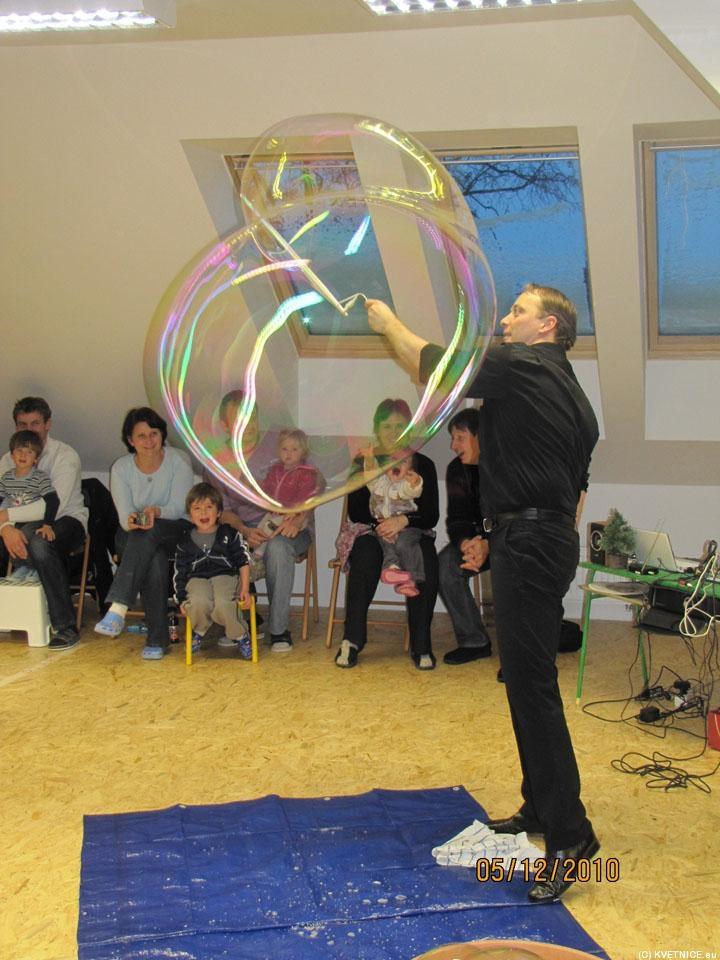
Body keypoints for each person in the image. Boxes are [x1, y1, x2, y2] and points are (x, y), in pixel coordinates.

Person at [365, 285, 600, 902]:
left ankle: (572, 836)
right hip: (540, 538)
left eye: (519, 311)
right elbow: (569, 489)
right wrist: (507, 537)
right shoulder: (575, 398)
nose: (508, 319)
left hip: (531, 542)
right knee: (522, 679)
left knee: (532, 685)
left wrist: (388, 322)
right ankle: (540, 808)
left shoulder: (526, 365)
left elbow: (437, 365)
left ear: (547, 327)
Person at [204, 390, 320, 653]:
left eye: (252, 417)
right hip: (245, 531)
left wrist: (298, 519)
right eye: (239, 420)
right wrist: (245, 531)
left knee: (278, 547)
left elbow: (314, 485)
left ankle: (278, 630)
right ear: (225, 425)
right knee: (224, 544)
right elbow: (222, 512)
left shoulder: (282, 443)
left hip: (290, 526)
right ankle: (240, 623)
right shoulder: (217, 462)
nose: (248, 425)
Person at [334, 398, 439, 670]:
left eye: (400, 426)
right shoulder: (364, 462)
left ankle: (421, 644)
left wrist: (402, 521)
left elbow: (431, 514)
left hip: (411, 531)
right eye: (387, 426)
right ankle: (352, 641)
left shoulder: (423, 464)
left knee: (425, 557)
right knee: (365, 553)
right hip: (372, 530)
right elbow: (356, 510)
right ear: (377, 429)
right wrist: (384, 525)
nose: (393, 432)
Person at [94, 407, 193, 660]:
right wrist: (134, 520)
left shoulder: (178, 460)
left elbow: (179, 507)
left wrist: (156, 512)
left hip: (175, 529)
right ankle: (157, 641)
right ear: (130, 440)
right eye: (141, 436)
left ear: (162, 434)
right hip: (135, 534)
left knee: (152, 534)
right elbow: (125, 518)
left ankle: (119, 606)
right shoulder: (121, 468)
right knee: (153, 555)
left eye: (154, 433)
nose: (149, 441)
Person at [0, 397, 88, 649]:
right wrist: (5, 529)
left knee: (38, 542)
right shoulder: (8, 459)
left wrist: (6, 519)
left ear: (48, 424)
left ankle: (66, 626)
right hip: (19, 524)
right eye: (22, 424)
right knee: (26, 536)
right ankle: (11, 610)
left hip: (66, 519)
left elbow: (52, 505)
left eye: (35, 423)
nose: (29, 429)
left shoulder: (65, 456)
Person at [438, 408, 492, 665]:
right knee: (445, 565)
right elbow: (457, 518)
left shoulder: (504, 466)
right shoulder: (456, 469)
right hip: (473, 544)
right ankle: (474, 641)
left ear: (480, 436)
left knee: (512, 565)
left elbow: (511, 520)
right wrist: (465, 544)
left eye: (460, 437)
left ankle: (521, 646)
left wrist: (488, 544)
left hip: (506, 541)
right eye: (453, 438)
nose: (453, 446)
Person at [173, 482, 251, 656]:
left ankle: (240, 635)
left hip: (226, 577)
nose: (203, 513)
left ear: (219, 512)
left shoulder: (229, 533)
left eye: (209, 507)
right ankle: (199, 631)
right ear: (190, 515)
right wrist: (181, 600)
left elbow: (243, 561)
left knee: (223, 604)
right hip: (197, 579)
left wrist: (245, 588)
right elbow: (180, 572)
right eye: (197, 508)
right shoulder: (185, 541)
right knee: (198, 602)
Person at [253, 428, 322, 559]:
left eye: (294, 449)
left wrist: (295, 512)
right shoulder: (275, 470)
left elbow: (307, 496)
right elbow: (267, 488)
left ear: (303, 452)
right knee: (260, 527)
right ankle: (254, 552)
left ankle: (258, 556)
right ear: (278, 451)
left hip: (294, 515)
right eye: (284, 449)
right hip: (276, 512)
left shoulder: (306, 473)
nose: (289, 453)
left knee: (269, 527)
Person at [0, 430, 59, 583]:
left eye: (29, 452)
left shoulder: (39, 477)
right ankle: (22, 568)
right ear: (12, 455)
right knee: (10, 535)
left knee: (24, 534)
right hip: (16, 520)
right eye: (19, 450)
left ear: (36, 459)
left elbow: (53, 500)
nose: (23, 455)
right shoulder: (6, 478)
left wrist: (48, 525)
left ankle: (34, 569)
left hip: (36, 520)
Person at [365, 448, 425, 597]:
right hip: (385, 526)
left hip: (407, 527)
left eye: (403, 461)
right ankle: (392, 570)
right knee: (385, 543)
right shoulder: (378, 482)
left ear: (409, 470)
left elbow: (414, 491)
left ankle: (412, 578)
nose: (396, 464)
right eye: (392, 460)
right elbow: (369, 476)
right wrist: (370, 459)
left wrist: (416, 481)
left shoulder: (404, 484)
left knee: (404, 544)